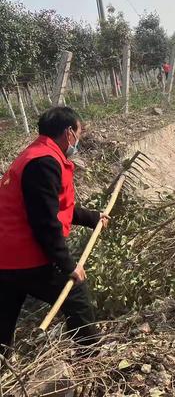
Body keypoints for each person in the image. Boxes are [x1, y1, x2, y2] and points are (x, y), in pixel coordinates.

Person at [0, 107, 109, 355]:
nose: (78, 139)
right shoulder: (44, 163)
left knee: (4, 318)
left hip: (4, 256)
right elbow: (45, 221)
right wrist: (68, 265)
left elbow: (55, 206)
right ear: (69, 133)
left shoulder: (34, 155)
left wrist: (93, 217)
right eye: (79, 132)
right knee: (75, 293)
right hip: (23, 255)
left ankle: (3, 365)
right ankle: (91, 356)